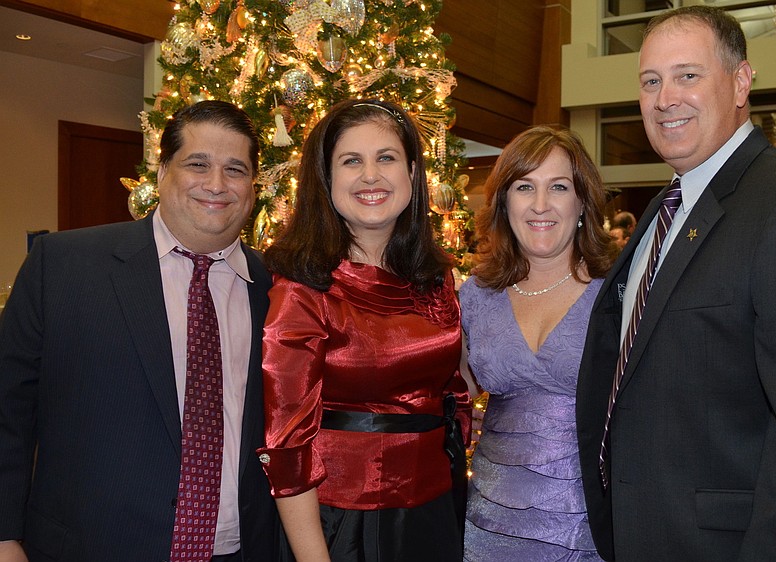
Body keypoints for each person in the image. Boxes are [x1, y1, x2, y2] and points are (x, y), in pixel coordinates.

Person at [576, 6, 776, 561]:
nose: (664, 97)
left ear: (741, 81)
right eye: (650, 81)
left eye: (688, 76)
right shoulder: (663, 208)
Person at [0, 100, 282, 562]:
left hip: (240, 549)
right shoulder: (65, 265)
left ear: (253, 187)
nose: (216, 184)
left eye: (235, 169)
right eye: (198, 164)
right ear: (162, 170)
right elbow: (7, 406)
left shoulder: (277, 289)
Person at [257, 98, 471, 562]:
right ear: (326, 178)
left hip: (434, 513)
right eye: (351, 160)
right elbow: (286, 441)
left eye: (386, 158)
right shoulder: (301, 288)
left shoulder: (436, 280)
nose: (371, 176)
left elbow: (455, 392)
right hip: (339, 524)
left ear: (413, 173)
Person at [462, 125, 613, 561]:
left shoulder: (618, 294)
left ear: (582, 201)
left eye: (559, 187)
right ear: (504, 203)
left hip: (590, 526)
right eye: (525, 186)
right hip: (490, 522)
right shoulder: (474, 295)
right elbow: (450, 390)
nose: (541, 204)